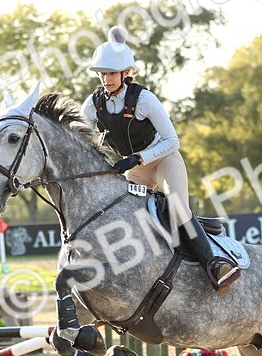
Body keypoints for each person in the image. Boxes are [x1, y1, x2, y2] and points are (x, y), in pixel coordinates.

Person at [81, 26, 240, 294]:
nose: (105, 79)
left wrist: (137, 158)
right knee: (121, 216)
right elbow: (85, 141)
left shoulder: (144, 99)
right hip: (133, 170)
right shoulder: (92, 105)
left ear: (125, 73)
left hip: (163, 160)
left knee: (176, 207)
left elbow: (172, 141)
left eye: (110, 73)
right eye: (102, 73)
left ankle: (215, 264)